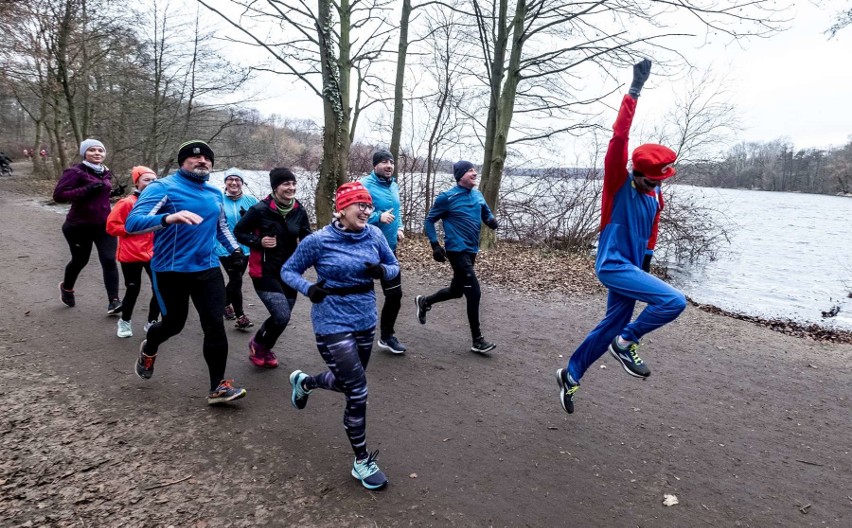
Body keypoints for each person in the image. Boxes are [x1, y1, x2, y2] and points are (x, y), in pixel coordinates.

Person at [556, 59, 687, 415]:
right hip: (613, 265)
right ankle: (627, 341)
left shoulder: (655, 193)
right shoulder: (617, 182)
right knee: (674, 302)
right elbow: (619, 137)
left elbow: (653, 226)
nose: (655, 186)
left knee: (610, 324)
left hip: (632, 266)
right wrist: (634, 91)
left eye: (661, 181)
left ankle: (571, 373)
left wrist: (647, 260)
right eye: (650, 180)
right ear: (636, 173)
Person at [282, 181, 398, 490]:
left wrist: (381, 272)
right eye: (359, 204)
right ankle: (361, 461)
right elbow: (288, 271)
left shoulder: (374, 234)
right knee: (358, 390)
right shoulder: (318, 241)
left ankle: (305, 382)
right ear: (342, 208)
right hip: (331, 321)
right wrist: (309, 288)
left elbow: (394, 267)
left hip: (365, 319)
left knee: (349, 382)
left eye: (368, 205)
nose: (365, 210)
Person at [125, 140, 248, 405]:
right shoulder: (163, 188)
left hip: (207, 269)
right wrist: (168, 218)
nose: (202, 160)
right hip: (171, 271)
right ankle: (150, 346)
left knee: (215, 325)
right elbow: (132, 224)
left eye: (207, 158)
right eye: (195, 157)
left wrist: (235, 250)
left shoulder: (215, 194)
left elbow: (221, 227)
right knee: (174, 324)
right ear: (182, 162)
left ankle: (218, 387)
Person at [415, 161, 499, 354]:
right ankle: (477, 340)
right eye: (470, 170)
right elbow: (429, 220)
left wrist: (491, 221)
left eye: (474, 170)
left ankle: (425, 301)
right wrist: (435, 245)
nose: (475, 173)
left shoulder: (477, 195)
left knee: (457, 291)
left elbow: (485, 213)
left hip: (471, 250)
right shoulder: (447, 197)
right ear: (460, 175)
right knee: (474, 292)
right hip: (456, 250)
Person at [233, 167, 311, 368]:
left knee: (282, 318)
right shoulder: (260, 210)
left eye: (293, 184)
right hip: (264, 271)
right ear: (276, 187)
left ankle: (262, 346)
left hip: (290, 271)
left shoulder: (298, 210)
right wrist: (259, 241)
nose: (291, 188)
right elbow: (239, 231)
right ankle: (259, 345)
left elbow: (306, 235)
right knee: (281, 314)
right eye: (286, 184)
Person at [52, 139, 123, 313]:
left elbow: (99, 195)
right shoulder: (75, 172)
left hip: (104, 225)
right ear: (85, 153)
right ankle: (67, 288)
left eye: (100, 150)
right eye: (92, 150)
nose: (97, 153)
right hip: (78, 226)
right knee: (80, 260)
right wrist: (87, 189)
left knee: (109, 260)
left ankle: (114, 301)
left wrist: (112, 194)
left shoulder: (105, 172)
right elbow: (59, 196)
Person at [105, 166, 161, 338]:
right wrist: (133, 229)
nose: (151, 183)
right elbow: (111, 227)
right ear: (137, 182)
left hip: (154, 253)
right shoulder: (127, 203)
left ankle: (152, 321)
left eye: (154, 180)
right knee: (133, 289)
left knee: (159, 289)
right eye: (146, 180)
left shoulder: (159, 202)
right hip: (131, 254)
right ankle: (125, 321)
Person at [361, 149, 407, 354]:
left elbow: (396, 211)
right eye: (384, 162)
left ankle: (387, 336)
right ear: (374, 166)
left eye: (391, 162)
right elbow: (352, 212)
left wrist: (399, 227)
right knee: (360, 295)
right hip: (364, 249)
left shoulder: (394, 185)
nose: (389, 165)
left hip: (389, 249)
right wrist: (377, 217)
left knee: (395, 294)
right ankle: (353, 333)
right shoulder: (364, 185)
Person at [215, 168, 258, 330]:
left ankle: (224, 304)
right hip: (225, 247)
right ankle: (241, 317)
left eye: (237, 179)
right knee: (236, 279)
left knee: (236, 279)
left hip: (245, 247)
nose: (234, 182)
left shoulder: (251, 201)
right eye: (230, 179)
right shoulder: (218, 200)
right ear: (225, 182)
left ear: (242, 182)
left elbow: (261, 221)